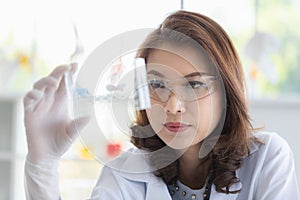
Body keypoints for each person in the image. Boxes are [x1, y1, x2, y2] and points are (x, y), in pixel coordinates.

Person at [23, 10, 300, 199]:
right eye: (157, 85)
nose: (173, 106)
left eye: (194, 84)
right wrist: (42, 165)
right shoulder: (122, 176)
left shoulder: (267, 159)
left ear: (227, 92)